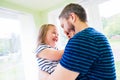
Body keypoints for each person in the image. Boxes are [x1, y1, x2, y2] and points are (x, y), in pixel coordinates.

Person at [48, 3, 116, 80]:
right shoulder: (96, 35)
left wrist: (42, 72)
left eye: (63, 25)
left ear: (72, 17)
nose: (64, 31)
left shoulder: (81, 39)